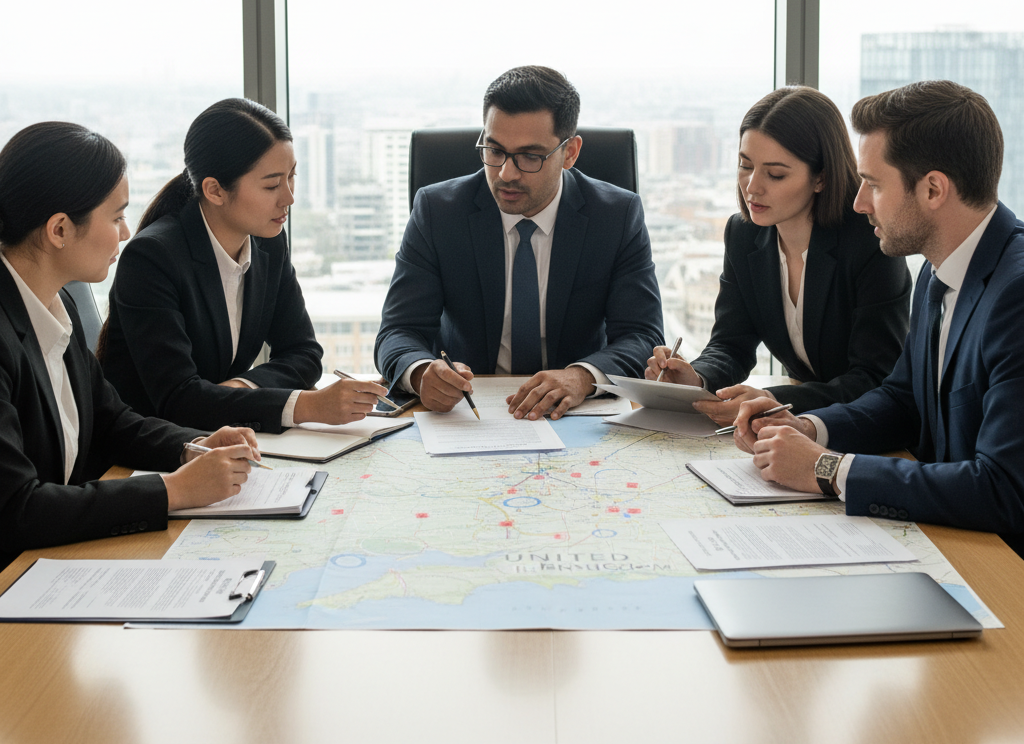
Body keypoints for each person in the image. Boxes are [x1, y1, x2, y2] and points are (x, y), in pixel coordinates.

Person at [732, 81, 1024, 554]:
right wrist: (808, 428)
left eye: (873, 184)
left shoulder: (1016, 295)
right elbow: (903, 400)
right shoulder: (939, 268)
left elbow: (1004, 489)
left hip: (1001, 565)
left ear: (932, 189)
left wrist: (827, 469)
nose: (858, 202)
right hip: (948, 538)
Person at [0, 122, 262, 569]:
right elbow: (17, 508)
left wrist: (194, 446)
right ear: (60, 229)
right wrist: (175, 490)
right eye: (117, 217)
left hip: (53, 562)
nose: (125, 233)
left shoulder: (54, 300)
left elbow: (112, 421)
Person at [374, 66, 664, 420]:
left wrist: (582, 377)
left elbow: (642, 334)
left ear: (570, 153)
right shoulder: (438, 211)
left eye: (529, 157)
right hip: (469, 413)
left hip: (574, 413)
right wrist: (420, 373)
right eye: (494, 151)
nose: (506, 174)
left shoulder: (616, 216)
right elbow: (399, 330)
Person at [100, 98, 386, 433]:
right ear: (215, 190)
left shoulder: (267, 241)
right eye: (271, 185)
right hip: (148, 456)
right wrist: (304, 405)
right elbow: (179, 401)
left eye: (292, 177)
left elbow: (303, 352)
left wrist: (239, 387)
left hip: (222, 440)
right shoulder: (152, 259)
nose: (289, 198)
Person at [646, 86, 912, 421]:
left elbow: (875, 378)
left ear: (821, 178)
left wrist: (772, 399)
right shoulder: (744, 234)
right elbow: (731, 343)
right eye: (745, 165)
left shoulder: (869, 240)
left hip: (867, 428)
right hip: (798, 426)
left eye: (775, 174)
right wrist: (697, 377)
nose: (752, 186)